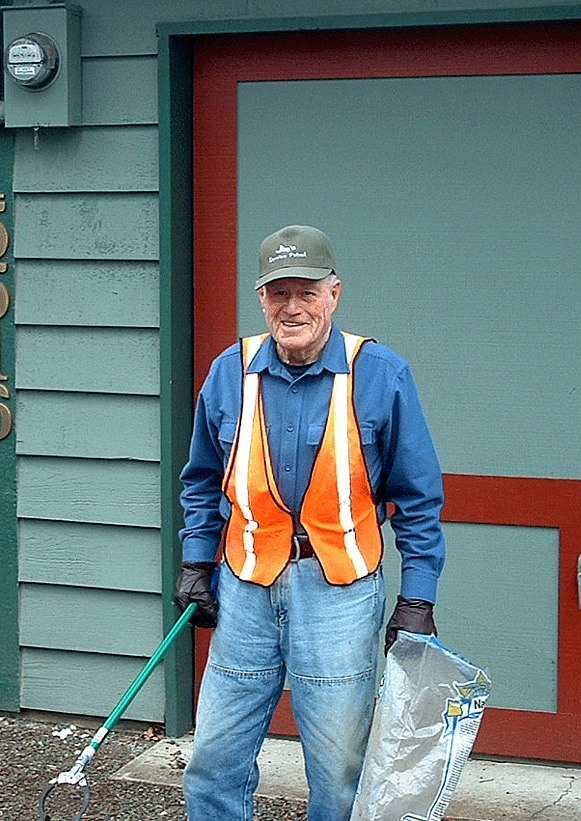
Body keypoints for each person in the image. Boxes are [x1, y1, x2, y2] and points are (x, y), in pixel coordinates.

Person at [175, 224, 446, 821]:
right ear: (261, 297)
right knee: (213, 763)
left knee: (338, 773)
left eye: (306, 292)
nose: (291, 307)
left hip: (341, 595)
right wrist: (198, 559)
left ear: (334, 293)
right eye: (278, 293)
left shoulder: (381, 373)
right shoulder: (230, 372)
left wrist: (417, 598)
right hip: (245, 587)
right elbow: (200, 478)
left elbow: (419, 499)